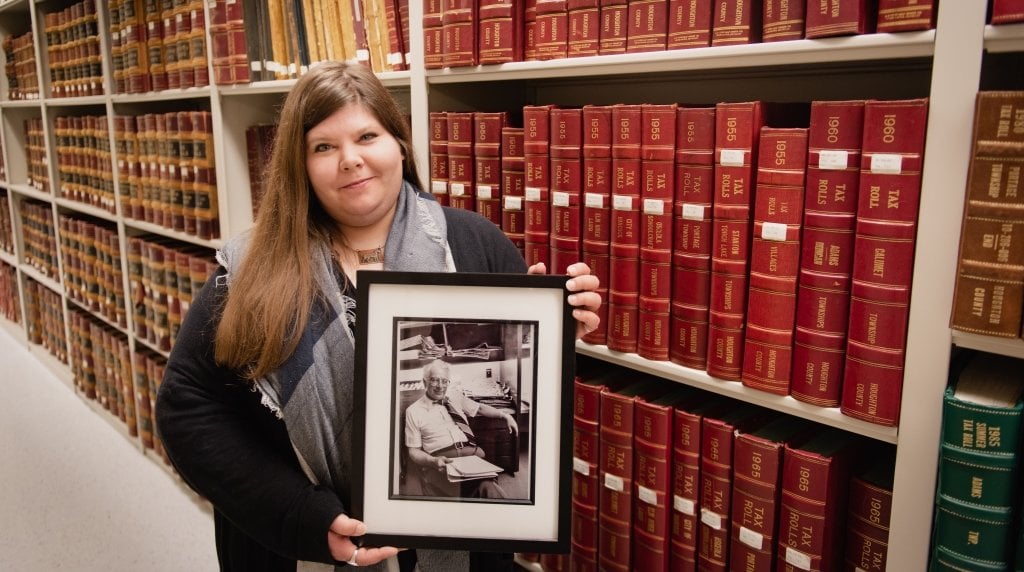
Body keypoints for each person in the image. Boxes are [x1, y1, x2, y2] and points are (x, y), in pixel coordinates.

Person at [154, 60, 601, 572]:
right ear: (298, 164)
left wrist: (556, 324)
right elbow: (187, 408)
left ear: (399, 144)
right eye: (323, 146)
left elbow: (533, 389)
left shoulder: (476, 242)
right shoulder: (255, 269)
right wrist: (300, 515)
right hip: (308, 549)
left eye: (367, 135)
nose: (350, 160)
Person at [404, 359, 517, 499]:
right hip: (443, 461)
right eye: (435, 380)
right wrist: (432, 461)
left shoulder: (454, 397)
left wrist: (505, 415)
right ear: (425, 381)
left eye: (444, 381)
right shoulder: (413, 411)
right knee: (486, 487)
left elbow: (480, 408)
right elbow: (413, 450)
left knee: (484, 487)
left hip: (472, 456)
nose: (440, 386)